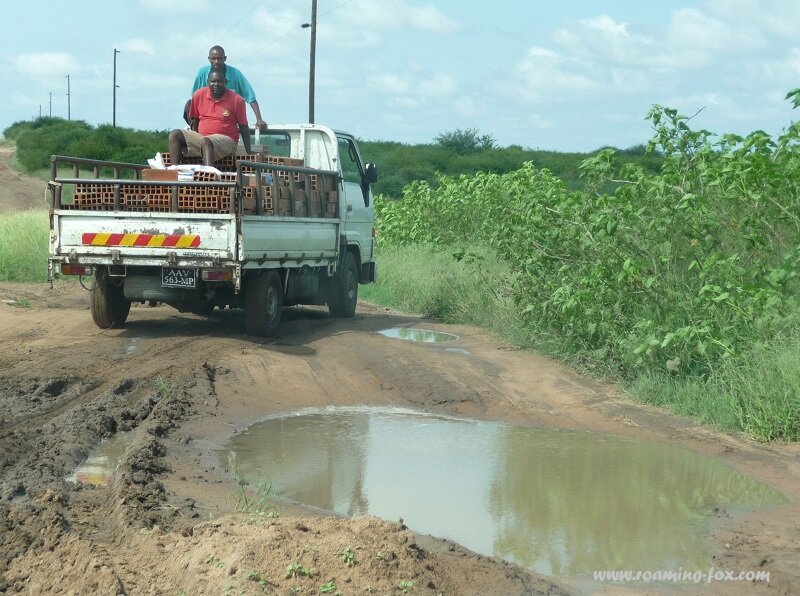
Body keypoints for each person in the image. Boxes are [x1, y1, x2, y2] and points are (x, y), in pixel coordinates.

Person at [169, 65, 252, 167]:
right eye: (213, 82)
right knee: (175, 134)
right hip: (203, 138)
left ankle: (209, 176)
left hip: (227, 141)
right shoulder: (198, 95)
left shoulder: (237, 100)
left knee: (207, 141)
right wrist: (196, 136)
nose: (216, 84)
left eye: (219, 81)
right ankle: (174, 173)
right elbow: (195, 120)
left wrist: (249, 150)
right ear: (207, 82)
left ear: (225, 82)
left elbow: (243, 126)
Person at [190, 45, 267, 132]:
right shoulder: (202, 73)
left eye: (219, 58)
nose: (216, 61)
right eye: (213, 59)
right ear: (209, 59)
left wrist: (259, 119)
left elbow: (250, 97)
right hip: (206, 115)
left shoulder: (235, 74)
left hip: (227, 116)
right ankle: (196, 136)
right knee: (189, 105)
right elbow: (194, 98)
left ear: (225, 58)